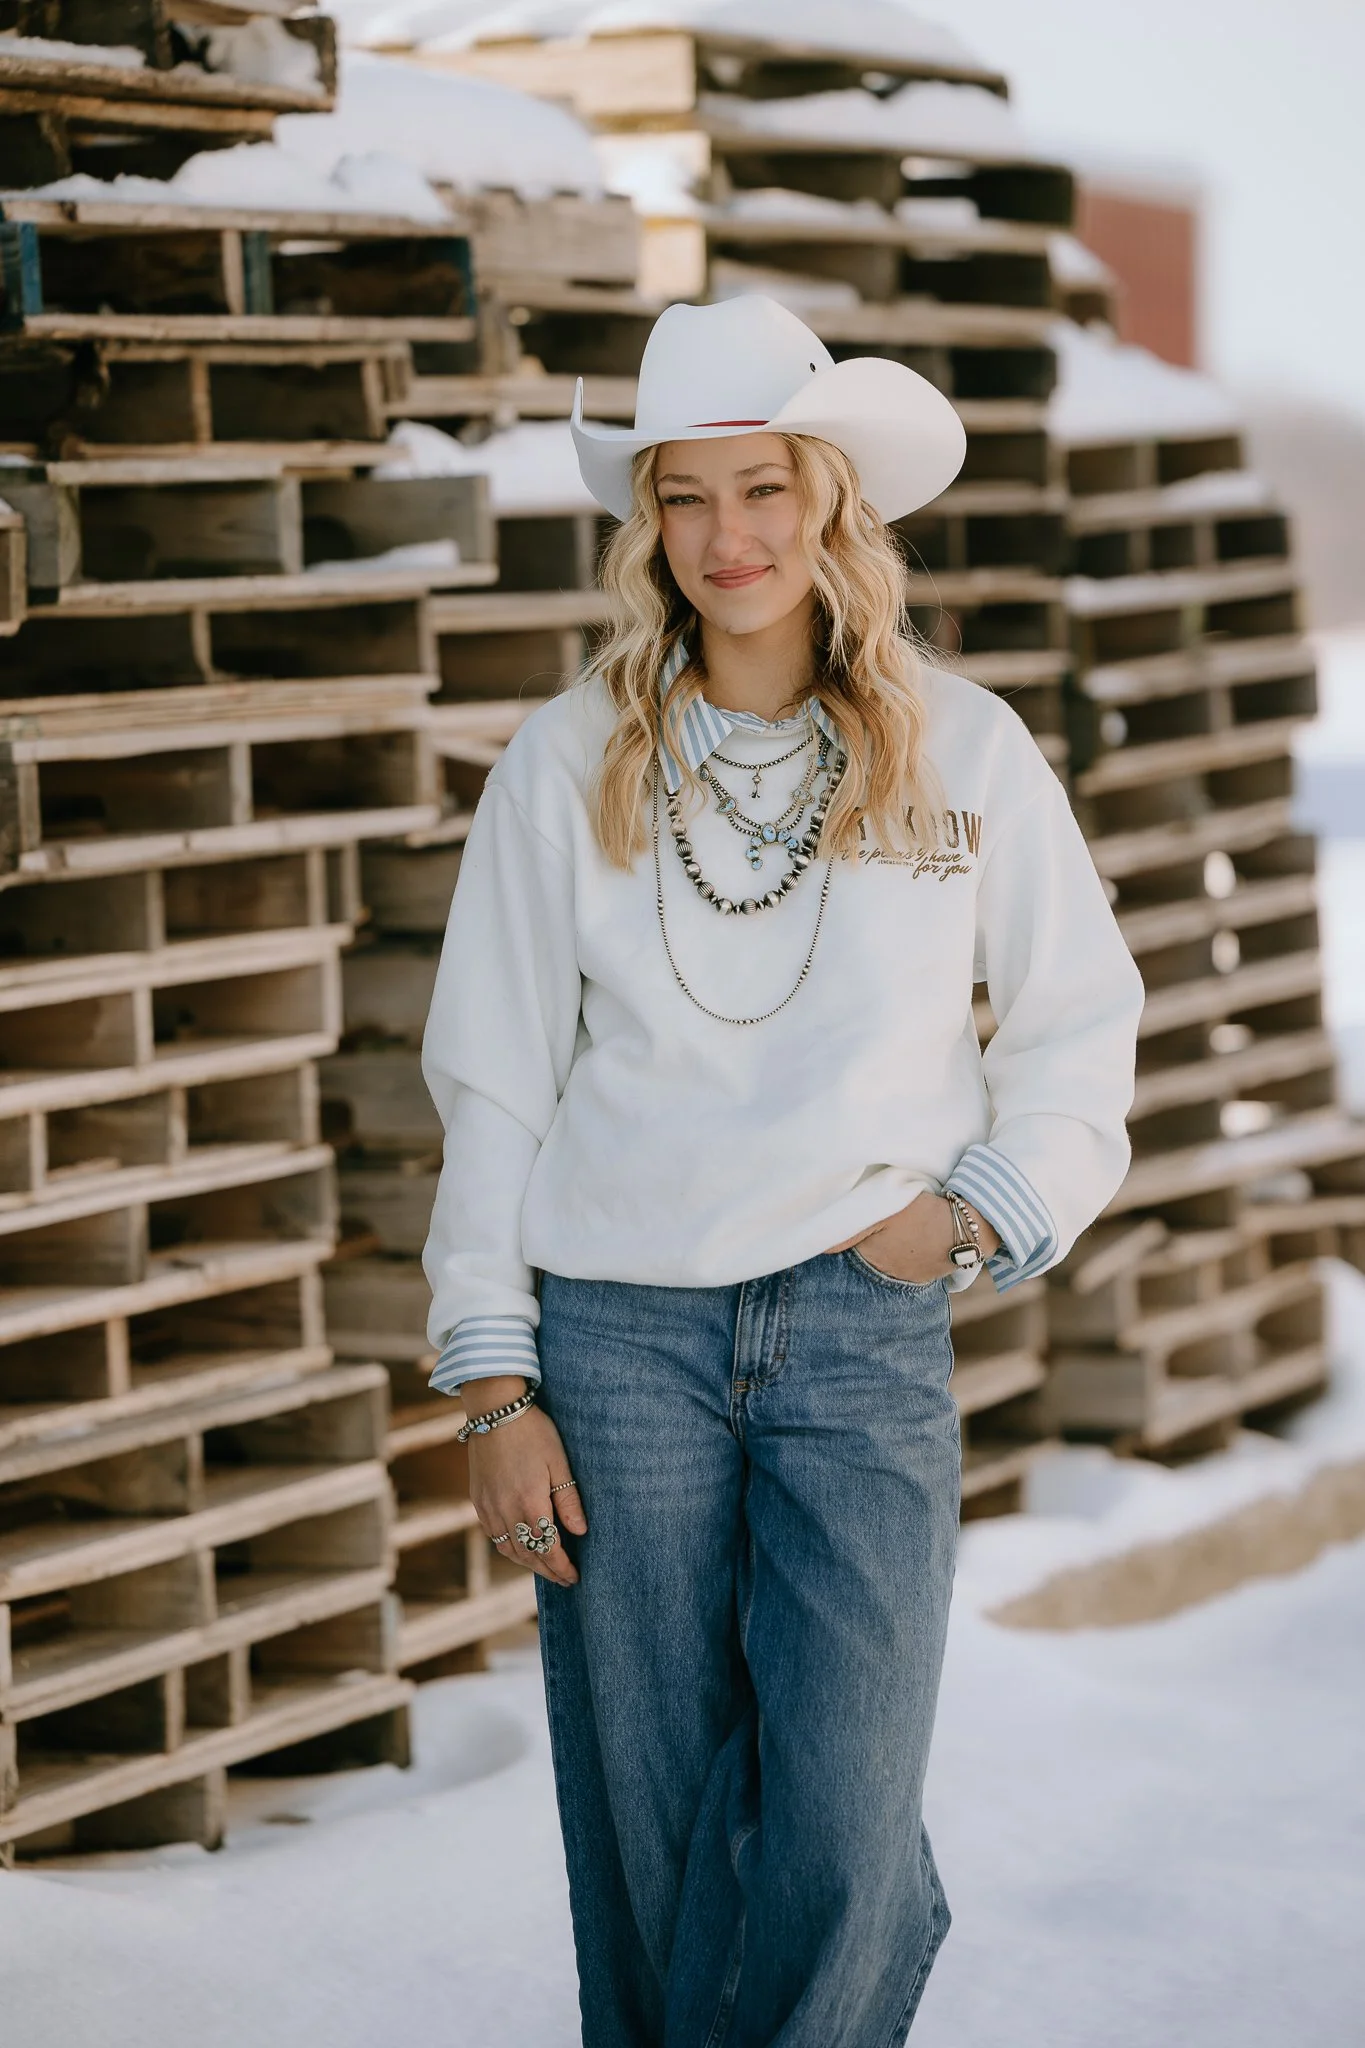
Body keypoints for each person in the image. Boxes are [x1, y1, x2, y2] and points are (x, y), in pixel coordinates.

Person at [419, 294, 1146, 2045]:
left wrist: (967, 1216)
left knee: (843, 1815)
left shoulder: (965, 749)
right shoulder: (569, 759)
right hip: (614, 1348)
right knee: (653, 1827)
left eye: (762, 489)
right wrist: (491, 1378)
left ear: (829, 502)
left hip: (857, 1327)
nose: (727, 537)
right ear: (648, 522)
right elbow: (493, 1081)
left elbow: (1081, 1021)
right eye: (685, 496)